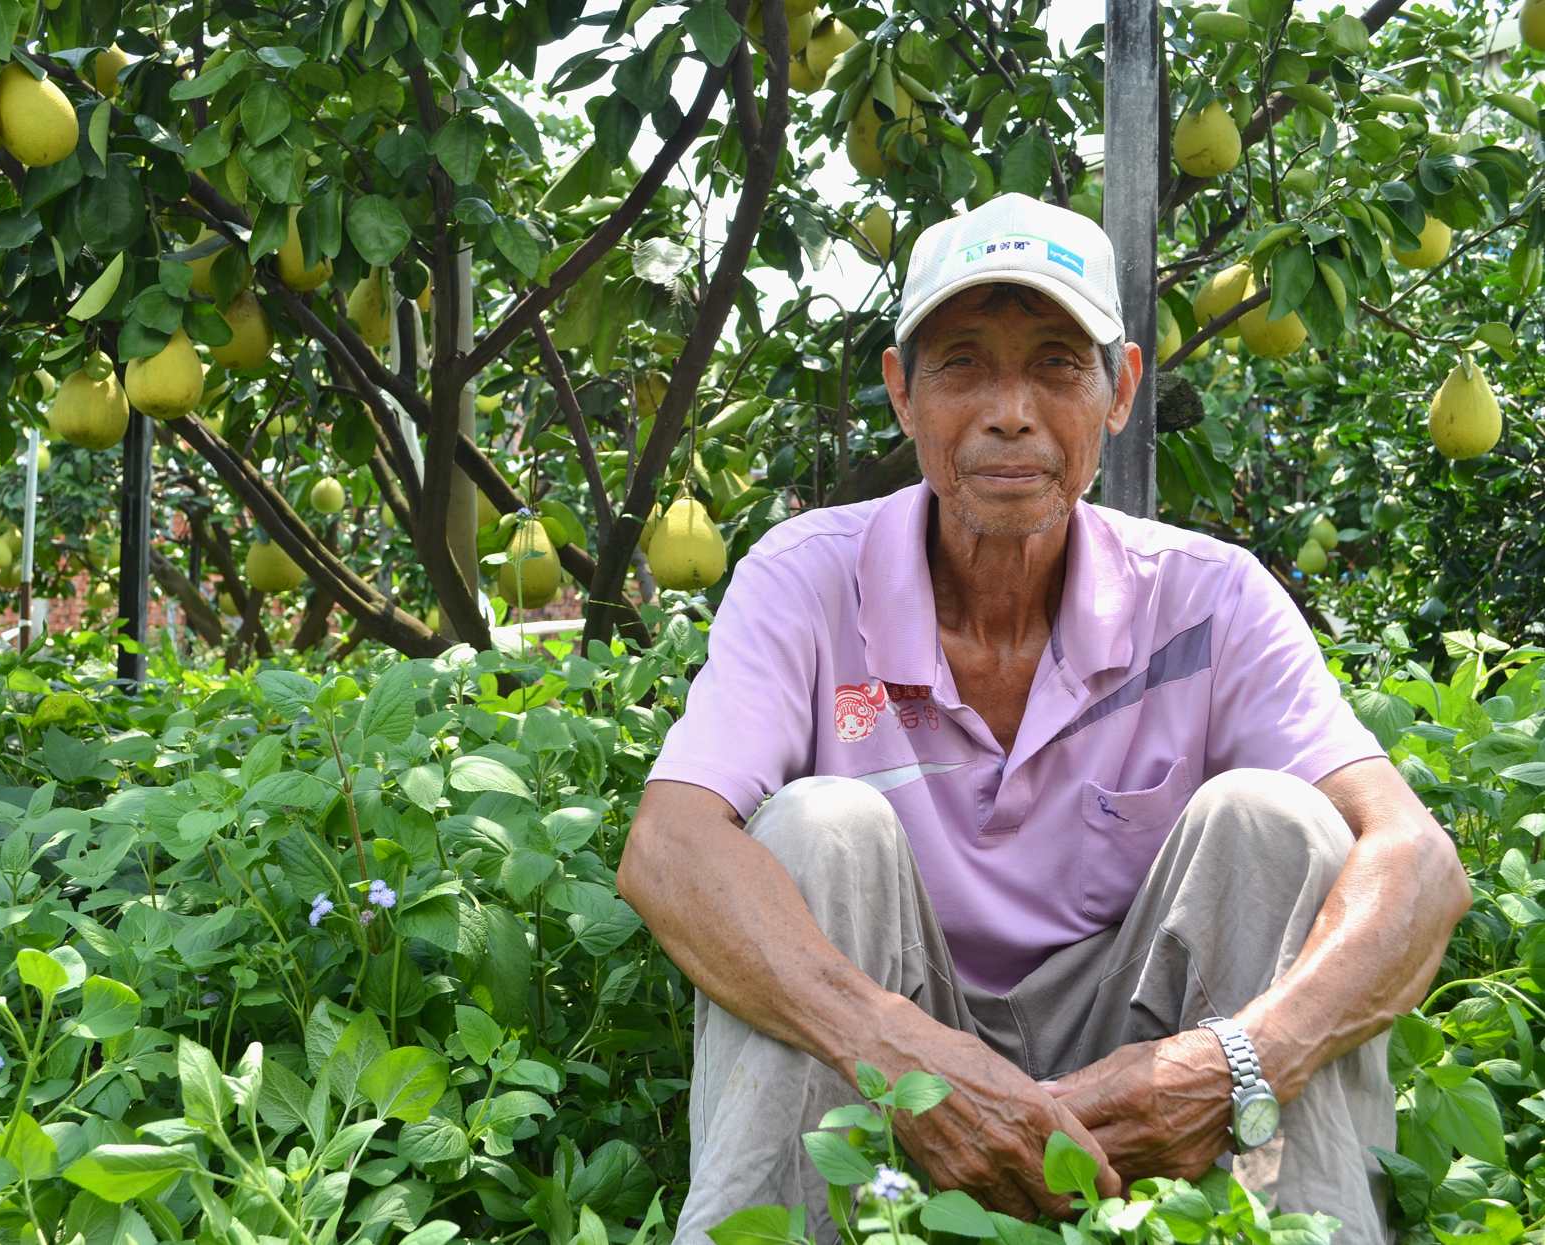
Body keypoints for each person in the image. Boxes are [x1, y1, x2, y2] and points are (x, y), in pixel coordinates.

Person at [617, 193, 1470, 1243]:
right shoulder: (805, 579)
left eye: (1057, 366)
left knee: (1277, 823)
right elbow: (669, 846)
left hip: (1146, 1070)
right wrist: (897, 1049)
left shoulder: (1209, 596)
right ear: (902, 393)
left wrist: (1237, 1065)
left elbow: (1417, 863)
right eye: (962, 365)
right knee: (813, 830)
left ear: (1119, 391)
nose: (1009, 411)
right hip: (887, 1077)